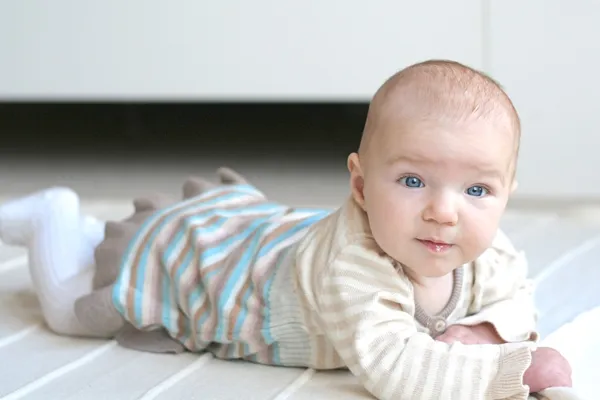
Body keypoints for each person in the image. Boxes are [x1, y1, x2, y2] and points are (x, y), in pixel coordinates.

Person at [0, 60, 576, 400]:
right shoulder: (353, 266)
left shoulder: (482, 247)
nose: (445, 213)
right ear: (359, 186)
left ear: (505, 197)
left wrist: (488, 331)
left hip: (273, 239)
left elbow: (516, 296)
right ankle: (50, 216)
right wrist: (512, 369)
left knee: (105, 245)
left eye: (477, 190)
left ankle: (85, 229)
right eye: (412, 181)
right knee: (69, 307)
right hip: (216, 269)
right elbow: (396, 368)